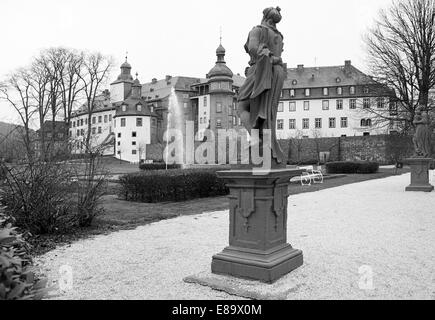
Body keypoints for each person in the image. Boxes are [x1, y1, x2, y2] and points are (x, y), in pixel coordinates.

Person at [237, 7, 286, 165]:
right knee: (268, 110)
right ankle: (267, 145)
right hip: (278, 72)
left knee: (242, 106)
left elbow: (253, 48)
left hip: (262, 69)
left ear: (264, 17)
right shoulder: (278, 36)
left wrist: (266, 57)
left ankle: (257, 141)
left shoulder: (258, 30)